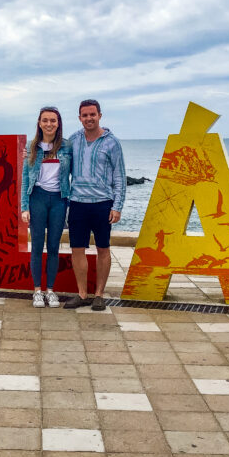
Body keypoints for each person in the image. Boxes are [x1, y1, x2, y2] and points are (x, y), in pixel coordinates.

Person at [63, 99, 125, 311]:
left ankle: (99, 294)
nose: (89, 118)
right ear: (79, 117)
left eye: (92, 114)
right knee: (77, 249)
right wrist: (27, 156)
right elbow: (57, 162)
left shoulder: (112, 142)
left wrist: (117, 205)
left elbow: (119, 175)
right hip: (78, 203)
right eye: (85, 115)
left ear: (100, 115)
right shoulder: (72, 140)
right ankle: (82, 293)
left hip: (103, 204)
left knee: (103, 248)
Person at [20, 106, 72, 308]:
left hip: (59, 200)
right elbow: (26, 178)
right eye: (45, 120)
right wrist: (25, 207)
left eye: (53, 120)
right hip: (37, 199)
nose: (49, 124)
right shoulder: (32, 146)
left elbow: (75, 173)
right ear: (39, 123)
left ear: (58, 123)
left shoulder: (67, 146)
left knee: (53, 247)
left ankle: (50, 290)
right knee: (37, 247)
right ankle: (37, 291)